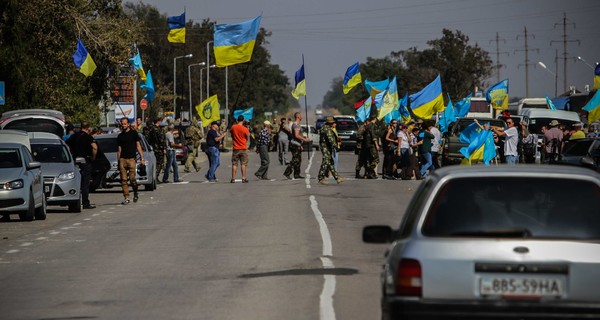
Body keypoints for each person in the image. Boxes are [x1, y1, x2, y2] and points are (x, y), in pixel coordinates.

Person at [66, 122, 97, 209]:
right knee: (85, 183)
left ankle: (73, 202)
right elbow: (95, 147)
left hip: (75, 161)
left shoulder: (74, 136)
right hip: (85, 161)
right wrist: (93, 157)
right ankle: (85, 203)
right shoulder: (88, 137)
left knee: (75, 181)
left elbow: (67, 146)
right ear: (88, 129)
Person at [117, 117, 145, 204]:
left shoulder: (133, 134)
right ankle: (126, 197)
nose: (123, 125)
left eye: (125, 123)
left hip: (132, 159)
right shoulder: (120, 136)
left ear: (128, 124)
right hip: (123, 159)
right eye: (122, 123)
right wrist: (118, 161)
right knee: (124, 180)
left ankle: (135, 192)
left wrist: (142, 158)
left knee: (132, 179)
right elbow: (119, 149)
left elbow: (138, 146)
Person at [283, 112, 312, 180]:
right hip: (294, 144)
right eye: (301, 115)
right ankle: (287, 172)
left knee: (298, 160)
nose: (301, 116)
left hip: (297, 144)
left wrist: (302, 141)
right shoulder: (296, 124)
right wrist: (305, 139)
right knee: (295, 159)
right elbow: (296, 135)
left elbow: (298, 134)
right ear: (298, 116)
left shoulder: (297, 124)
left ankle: (297, 174)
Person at [318, 116, 343, 184]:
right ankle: (320, 178)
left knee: (330, 162)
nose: (334, 124)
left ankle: (337, 177)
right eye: (333, 123)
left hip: (326, 147)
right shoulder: (327, 129)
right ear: (330, 123)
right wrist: (336, 147)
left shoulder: (324, 128)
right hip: (325, 147)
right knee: (326, 161)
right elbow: (331, 140)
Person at [143, 117, 166, 182]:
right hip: (158, 149)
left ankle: (153, 177)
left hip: (152, 148)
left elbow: (147, 139)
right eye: (161, 121)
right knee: (159, 163)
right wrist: (163, 148)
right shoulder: (158, 129)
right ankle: (155, 177)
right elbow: (161, 140)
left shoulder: (151, 129)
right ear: (158, 121)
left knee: (153, 163)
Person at [230, 115, 250, 183]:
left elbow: (231, 134)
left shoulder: (233, 127)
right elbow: (247, 137)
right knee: (243, 164)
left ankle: (233, 178)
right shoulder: (245, 129)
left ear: (237, 120)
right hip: (243, 148)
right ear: (243, 120)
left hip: (236, 148)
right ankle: (243, 178)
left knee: (234, 164)